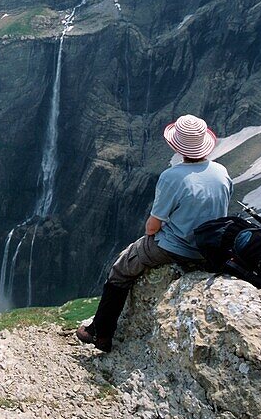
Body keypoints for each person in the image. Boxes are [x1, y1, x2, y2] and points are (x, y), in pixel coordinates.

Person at [76, 114, 232, 352]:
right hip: (209, 250)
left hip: (177, 247)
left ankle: (100, 332)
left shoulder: (172, 177)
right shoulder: (222, 172)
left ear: (177, 146)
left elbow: (152, 227)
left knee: (121, 269)